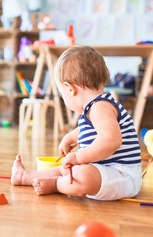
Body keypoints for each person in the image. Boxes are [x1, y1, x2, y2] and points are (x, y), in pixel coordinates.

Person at [11, 46, 142, 201]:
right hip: (107, 171)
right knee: (68, 168)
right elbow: (94, 130)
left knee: (82, 174)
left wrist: (79, 157)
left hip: (123, 176)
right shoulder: (96, 107)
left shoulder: (100, 107)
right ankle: (25, 176)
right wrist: (70, 137)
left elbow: (111, 140)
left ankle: (56, 184)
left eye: (62, 93)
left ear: (70, 89)